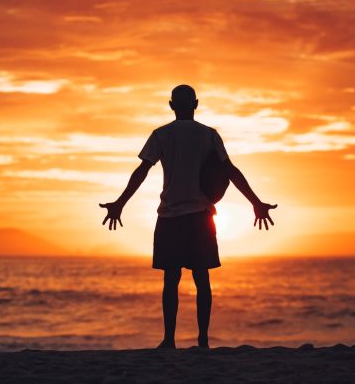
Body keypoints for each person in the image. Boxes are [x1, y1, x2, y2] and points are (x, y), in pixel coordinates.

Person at [99, 84, 277, 349]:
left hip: (170, 217)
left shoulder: (161, 135)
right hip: (200, 217)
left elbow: (142, 170)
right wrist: (256, 202)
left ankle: (169, 340)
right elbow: (230, 170)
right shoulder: (209, 135)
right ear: (196, 104)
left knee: (170, 281)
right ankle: (203, 341)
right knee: (202, 280)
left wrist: (120, 203)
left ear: (171, 105)